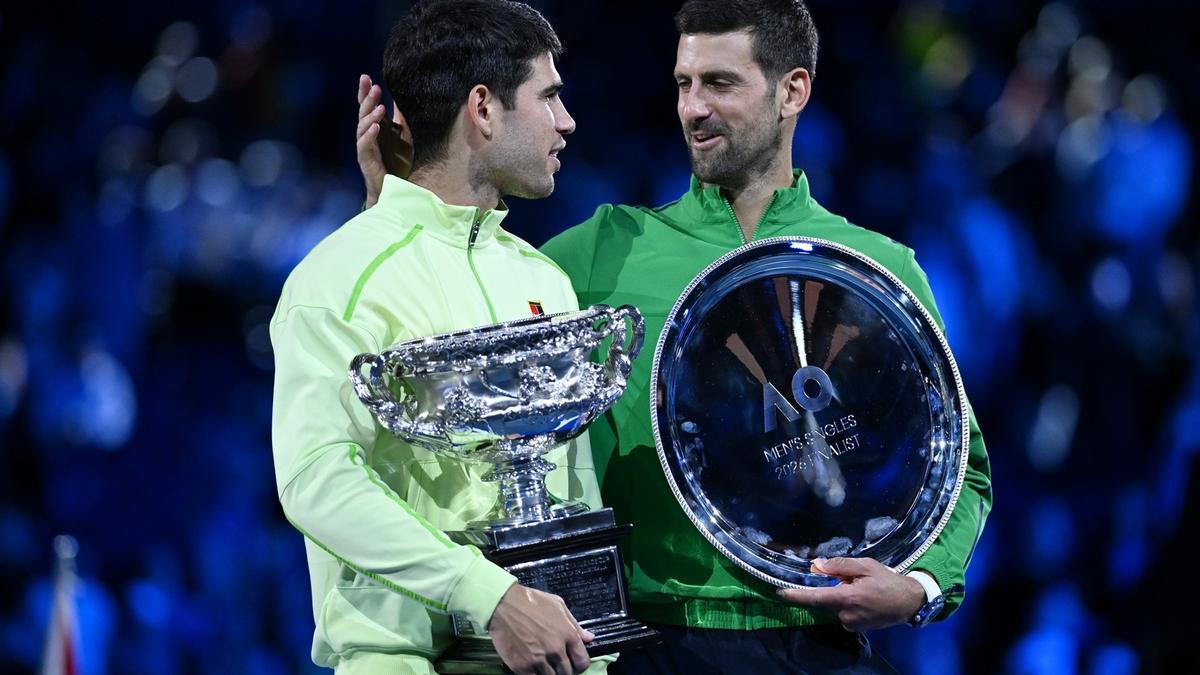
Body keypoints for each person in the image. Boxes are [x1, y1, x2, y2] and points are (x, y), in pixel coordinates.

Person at [356, 1, 992, 672]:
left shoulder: (874, 271)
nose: (692, 109)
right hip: (654, 643)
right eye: (684, 84)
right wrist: (400, 204)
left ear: (792, 91)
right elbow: (450, 333)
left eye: (720, 84)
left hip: (823, 643)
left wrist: (919, 588)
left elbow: (960, 465)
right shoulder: (601, 253)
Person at [272, 1, 614, 673]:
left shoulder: (542, 279)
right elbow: (317, 479)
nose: (567, 121)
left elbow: (572, 496)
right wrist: (491, 596)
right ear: (482, 109)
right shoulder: (340, 276)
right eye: (549, 96)